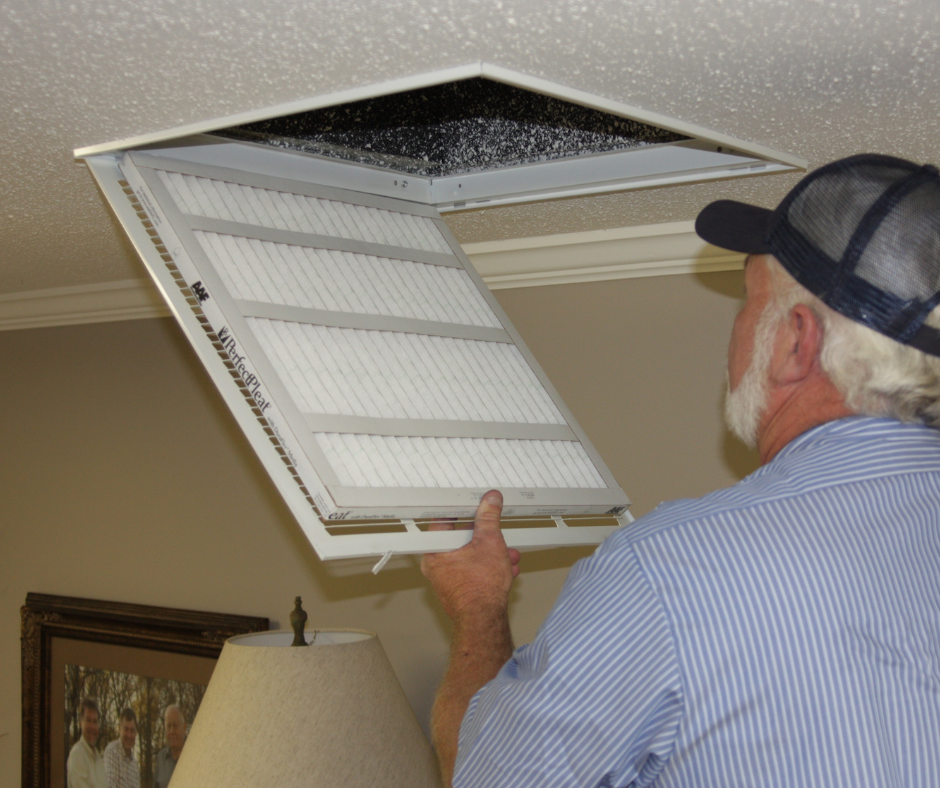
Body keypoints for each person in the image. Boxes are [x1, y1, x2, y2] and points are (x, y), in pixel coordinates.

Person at [422, 154, 940, 787]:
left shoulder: (670, 570)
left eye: (749, 303)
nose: (738, 331)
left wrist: (479, 607)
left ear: (796, 343)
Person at [67, 698, 107, 788]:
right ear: (81, 723)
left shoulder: (99, 760)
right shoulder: (77, 755)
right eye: (88, 720)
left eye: (95, 721)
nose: (92, 727)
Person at [103, 708, 140, 788]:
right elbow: (109, 785)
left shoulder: (135, 765)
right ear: (119, 729)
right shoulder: (112, 752)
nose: (129, 735)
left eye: (132, 730)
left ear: (136, 733)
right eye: (126, 729)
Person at [153, 705, 186, 788]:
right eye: (168, 726)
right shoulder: (161, 758)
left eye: (175, 726)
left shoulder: (195, 755)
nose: (172, 731)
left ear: (184, 728)